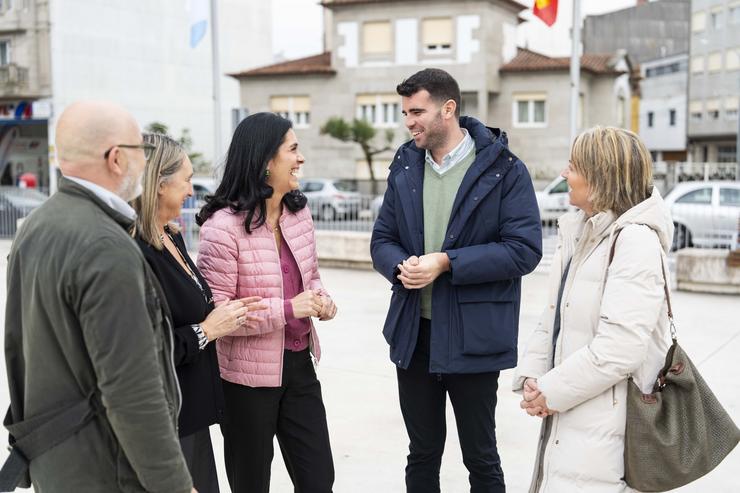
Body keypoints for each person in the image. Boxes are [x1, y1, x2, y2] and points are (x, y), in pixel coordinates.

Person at [3, 101, 193, 492]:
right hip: (108, 471)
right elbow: (132, 392)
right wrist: (174, 485)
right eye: (141, 151)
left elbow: (17, 353)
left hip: (58, 467)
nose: (145, 162)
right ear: (117, 158)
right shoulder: (106, 246)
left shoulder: (36, 226)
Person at [370, 68, 542, 493]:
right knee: (422, 454)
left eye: (417, 111)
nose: (409, 121)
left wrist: (448, 262)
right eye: (405, 112)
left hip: (474, 337)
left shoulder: (505, 169)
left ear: (448, 109)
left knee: (481, 457)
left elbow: (524, 250)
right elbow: (382, 239)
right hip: (415, 335)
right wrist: (399, 266)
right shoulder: (405, 165)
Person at [514, 126, 673, 492]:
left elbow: (620, 348)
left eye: (573, 166)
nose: (563, 174)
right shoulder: (583, 232)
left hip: (608, 424)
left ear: (601, 176)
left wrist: (552, 391)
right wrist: (534, 378)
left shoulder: (634, 241)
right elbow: (554, 314)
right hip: (576, 410)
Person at [196, 112, 337, 493]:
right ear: (264, 162)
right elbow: (219, 314)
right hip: (245, 382)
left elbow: (310, 277)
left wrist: (321, 300)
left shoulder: (298, 213)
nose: (301, 158)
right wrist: (291, 308)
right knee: (251, 484)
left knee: (319, 480)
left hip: (299, 367)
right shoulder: (222, 228)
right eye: (293, 149)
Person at [132, 133, 267, 493]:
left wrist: (231, 312)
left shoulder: (171, 236)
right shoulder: (134, 252)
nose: (192, 191)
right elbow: (143, 350)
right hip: (165, 419)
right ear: (159, 183)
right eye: (187, 179)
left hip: (191, 411)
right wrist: (207, 330)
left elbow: (195, 306)